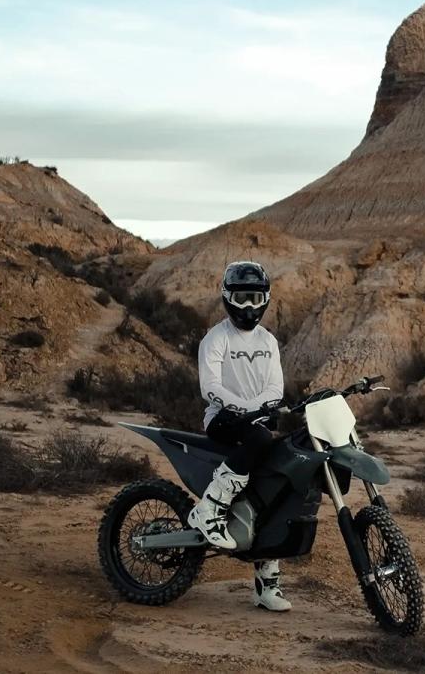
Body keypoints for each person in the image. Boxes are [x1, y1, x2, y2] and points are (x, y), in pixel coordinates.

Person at [186, 260, 292, 612]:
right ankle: (210, 507)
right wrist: (243, 407)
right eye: (243, 298)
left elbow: (276, 383)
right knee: (261, 442)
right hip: (223, 418)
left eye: (256, 298)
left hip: (258, 420)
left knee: (275, 485)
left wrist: (263, 406)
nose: (250, 306)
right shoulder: (215, 338)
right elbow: (209, 386)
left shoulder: (269, 341)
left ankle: (267, 586)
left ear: (266, 299)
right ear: (228, 298)